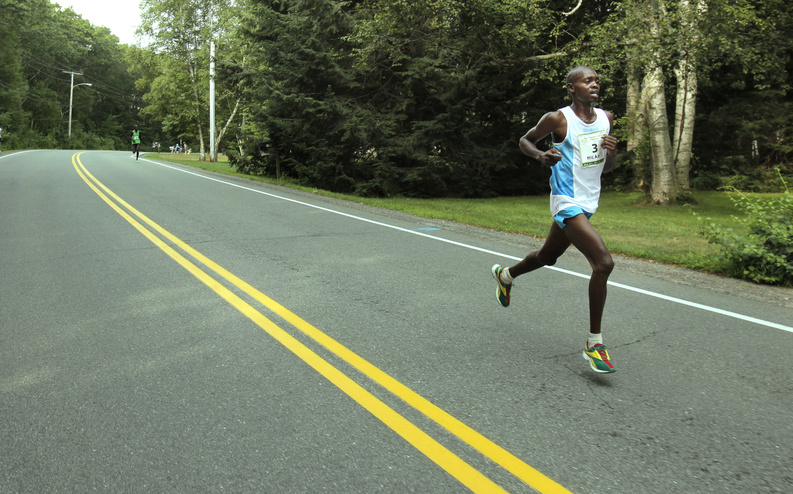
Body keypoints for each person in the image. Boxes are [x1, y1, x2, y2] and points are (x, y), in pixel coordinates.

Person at [491, 65, 618, 373]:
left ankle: (506, 275)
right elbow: (525, 140)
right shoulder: (558, 119)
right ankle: (594, 344)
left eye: (596, 81)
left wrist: (612, 152)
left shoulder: (606, 119)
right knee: (603, 263)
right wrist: (540, 156)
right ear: (572, 88)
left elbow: (608, 169)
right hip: (565, 201)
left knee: (548, 257)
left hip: (588, 201)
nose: (594, 84)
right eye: (587, 80)